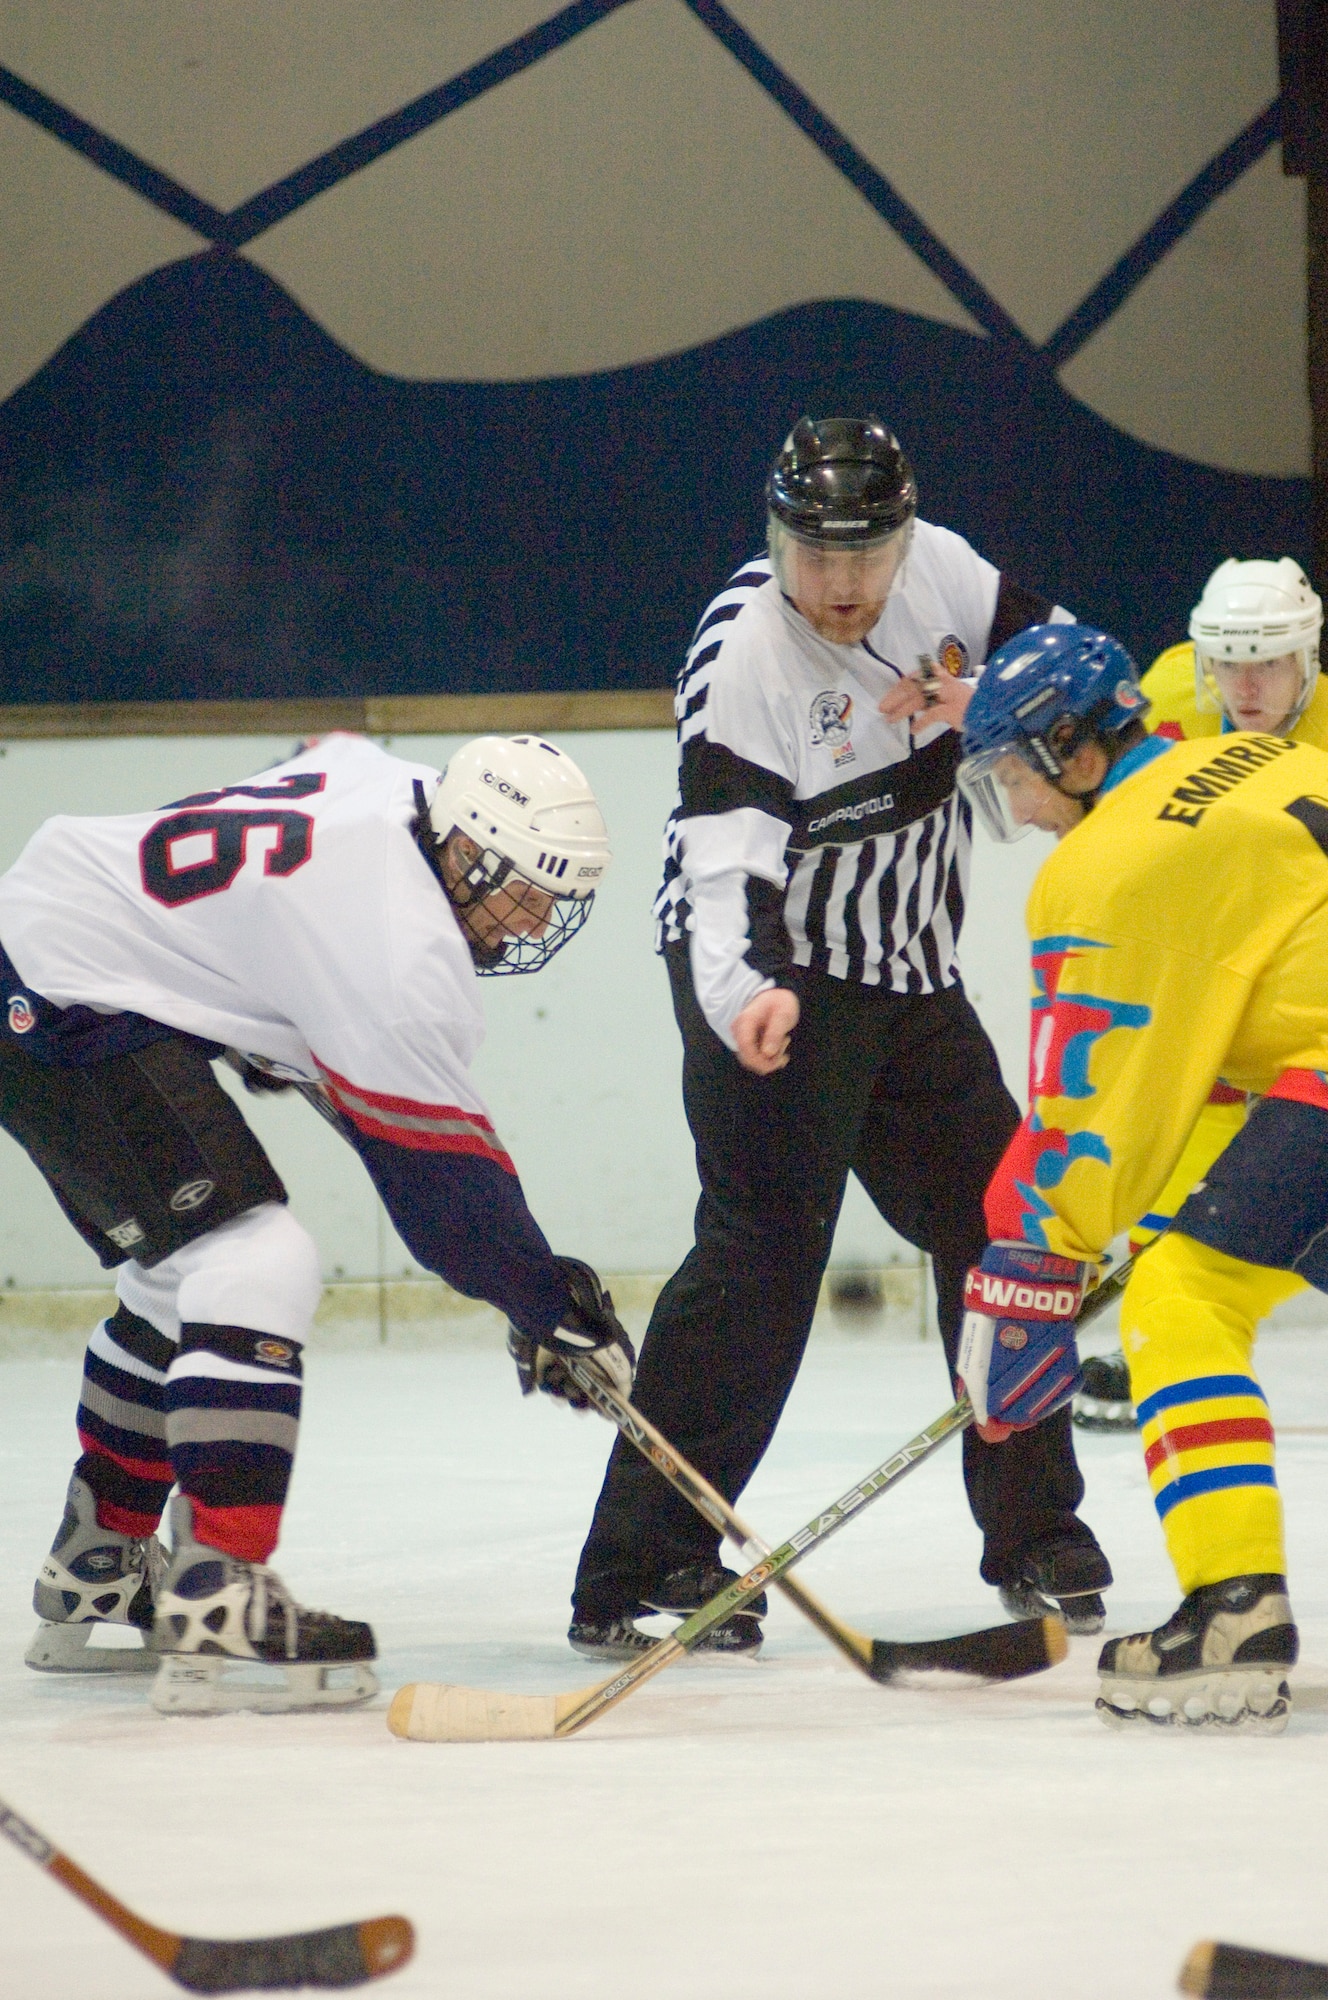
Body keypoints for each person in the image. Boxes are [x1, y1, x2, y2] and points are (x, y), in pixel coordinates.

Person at [568, 415, 1111, 1661]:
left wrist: (989, 702)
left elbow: (1089, 670)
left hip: (911, 977)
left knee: (1005, 1230)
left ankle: (1033, 1530)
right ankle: (640, 1562)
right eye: (814, 556)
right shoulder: (743, 649)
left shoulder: (948, 574)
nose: (843, 585)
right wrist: (741, 992)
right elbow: (718, 869)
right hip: (774, 977)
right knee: (761, 1257)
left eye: (864, 557)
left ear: (903, 539)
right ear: (776, 541)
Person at [0, 731, 634, 1714]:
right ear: (466, 852)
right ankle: (220, 1587)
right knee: (257, 1256)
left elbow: (310, 758)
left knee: (180, 1280)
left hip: (55, 933)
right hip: (69, 987)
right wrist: (546, 1301)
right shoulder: (400, 949)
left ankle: (99, 1560)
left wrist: (261, 986)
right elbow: (446, 1204)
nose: (529, 923)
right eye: (522, 894)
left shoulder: (395, 784)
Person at [956, 620, 1328, 1731]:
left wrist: (1028, 1258)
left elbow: (1092, 1106)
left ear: (1071, 748)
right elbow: (1220, 1042)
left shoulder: (1106, 864)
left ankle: (1232, 1607)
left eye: (1014, 773)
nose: (1014, 808)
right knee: (1185, 1260)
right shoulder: (1259, 758)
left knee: (1179, 1299)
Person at [1071, 558, 1324, 1432]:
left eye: (1270, 663)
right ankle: (1161, 1342)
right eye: (1228, 662)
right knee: (1174, 1141)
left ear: (1310, 656)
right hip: (1218, 975)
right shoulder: (1170, 691)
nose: (1245, 687)